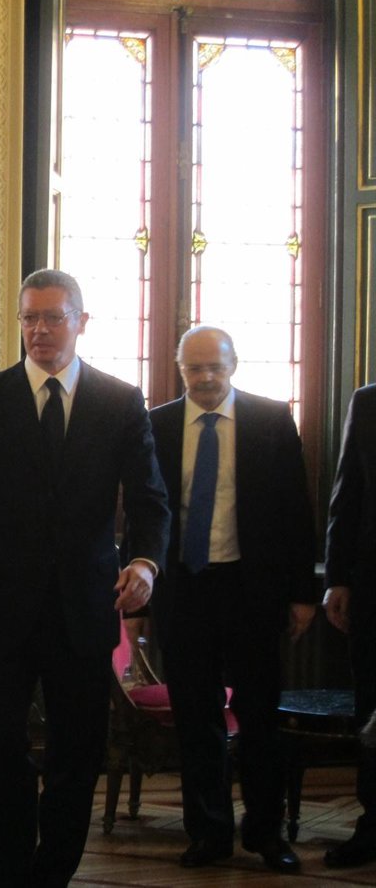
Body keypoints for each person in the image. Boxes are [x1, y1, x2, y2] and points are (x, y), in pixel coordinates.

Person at [0, 268, 170, 886]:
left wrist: (144, 561)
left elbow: (150, 500)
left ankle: (52, 873)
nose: (39, 330)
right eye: (29, 318)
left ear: (81, 322)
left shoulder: (119, 402)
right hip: (3, 606)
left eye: (53, 317)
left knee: (77, 749)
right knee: (2, 744)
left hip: (85, 606)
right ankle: (5, 875)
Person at [147, 326, 315, 873]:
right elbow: (146, 511)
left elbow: (297, 511)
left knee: (260, 716)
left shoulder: (271, 420)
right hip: (185, 590)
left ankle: (266, 834)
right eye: (194, 368)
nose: (205, 378)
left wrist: (303, 594)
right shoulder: (158, 425)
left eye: (214, 367)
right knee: (196, 718)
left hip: (252, 589)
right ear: (180, 370)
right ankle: (209, 833)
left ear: (233, 365)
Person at [322, 383, 376, 868]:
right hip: (372, 590)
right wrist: (336, 578)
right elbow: (347, 495)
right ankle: (373, 823)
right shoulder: (368, 402)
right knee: (371, 712)